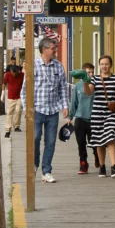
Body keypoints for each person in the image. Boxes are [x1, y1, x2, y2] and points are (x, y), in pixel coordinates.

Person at [19, 38, 69, 184]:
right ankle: (35, 163)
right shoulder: (32, 65)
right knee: (35, 138)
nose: (55, 50)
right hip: (36, 110)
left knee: (51, 142)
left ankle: (46, 171)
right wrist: (25, 108)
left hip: (53, 110)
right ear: (45, 48)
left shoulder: (59, 66)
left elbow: (63, 88)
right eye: (53, 47)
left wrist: (65, 106)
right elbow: (24, 90)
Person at [84, 55, 115, 178]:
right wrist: (84, 81)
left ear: (111, 65)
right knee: (99, 140)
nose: (104, 66)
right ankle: (102, 166)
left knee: (110, 136)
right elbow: (88, 93)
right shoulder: (95, 79)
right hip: (97, 113)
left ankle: (114, 167)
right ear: (99, 65)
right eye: (102, 64)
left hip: (111, 113)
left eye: (107, 64)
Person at [67, 63, 96, 174]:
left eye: (93, 72)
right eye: (88, 72)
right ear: (83, 73)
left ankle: (97, 157)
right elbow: (74, 102)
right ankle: (83, 163)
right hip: (80, 117)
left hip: (93, 118)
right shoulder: (78, 86)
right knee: (81, 143)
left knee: (94, 142)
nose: (91, 74)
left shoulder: (96, 84)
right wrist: (70, 117)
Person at [1, 61, 24, 138]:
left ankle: (16, 126)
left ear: (18, 71)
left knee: (18, 111)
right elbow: (4, 83)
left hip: (19, 97)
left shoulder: (22, 75)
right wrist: (3, 93)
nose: (14, 74)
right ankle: (8, 130)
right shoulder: (8, 75)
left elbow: (26, 83)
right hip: (10, 98)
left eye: (15, 73)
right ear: (11, 71)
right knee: (9, 114)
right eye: (12, 73)